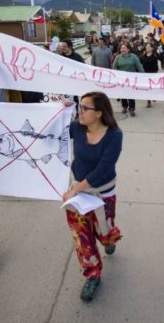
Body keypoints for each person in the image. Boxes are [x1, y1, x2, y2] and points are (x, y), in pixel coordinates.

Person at [62, 92, 123, 302]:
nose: (80, 111)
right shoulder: (76, 127)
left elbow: (103, 169)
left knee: (104, 232)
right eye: (80, 107)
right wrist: (59, 110)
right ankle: (93, 274)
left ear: (98, 113)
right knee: (82, 237)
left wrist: (76, 189)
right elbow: (51, 130)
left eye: (85, 108)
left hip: (103, 191)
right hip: (77, 193)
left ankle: (109, 238)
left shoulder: (115, 135)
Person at [112, 43, 144, 116]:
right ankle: (124, 106)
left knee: (131, 94)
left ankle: (132, 108)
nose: (122, 49)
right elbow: (114, 68)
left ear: (128, 49)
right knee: (123, 94)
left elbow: (139, 66)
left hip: (131, 80)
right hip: (121, 80)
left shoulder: (133, 57)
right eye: (121, 48)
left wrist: (143, 76)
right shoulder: (118, 57)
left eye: (124, 48)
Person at [139, 43, 159, 108]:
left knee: (152, 87)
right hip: (145, 74)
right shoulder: (143, 55)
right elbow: (140, 63)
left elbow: (157, 64)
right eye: (146, 47)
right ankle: (148, 101)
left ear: (152, 48)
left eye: (148, 47)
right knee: (147, 88)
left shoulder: (155, 55)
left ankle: (153, 96)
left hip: (153, 74)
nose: (147, 48)